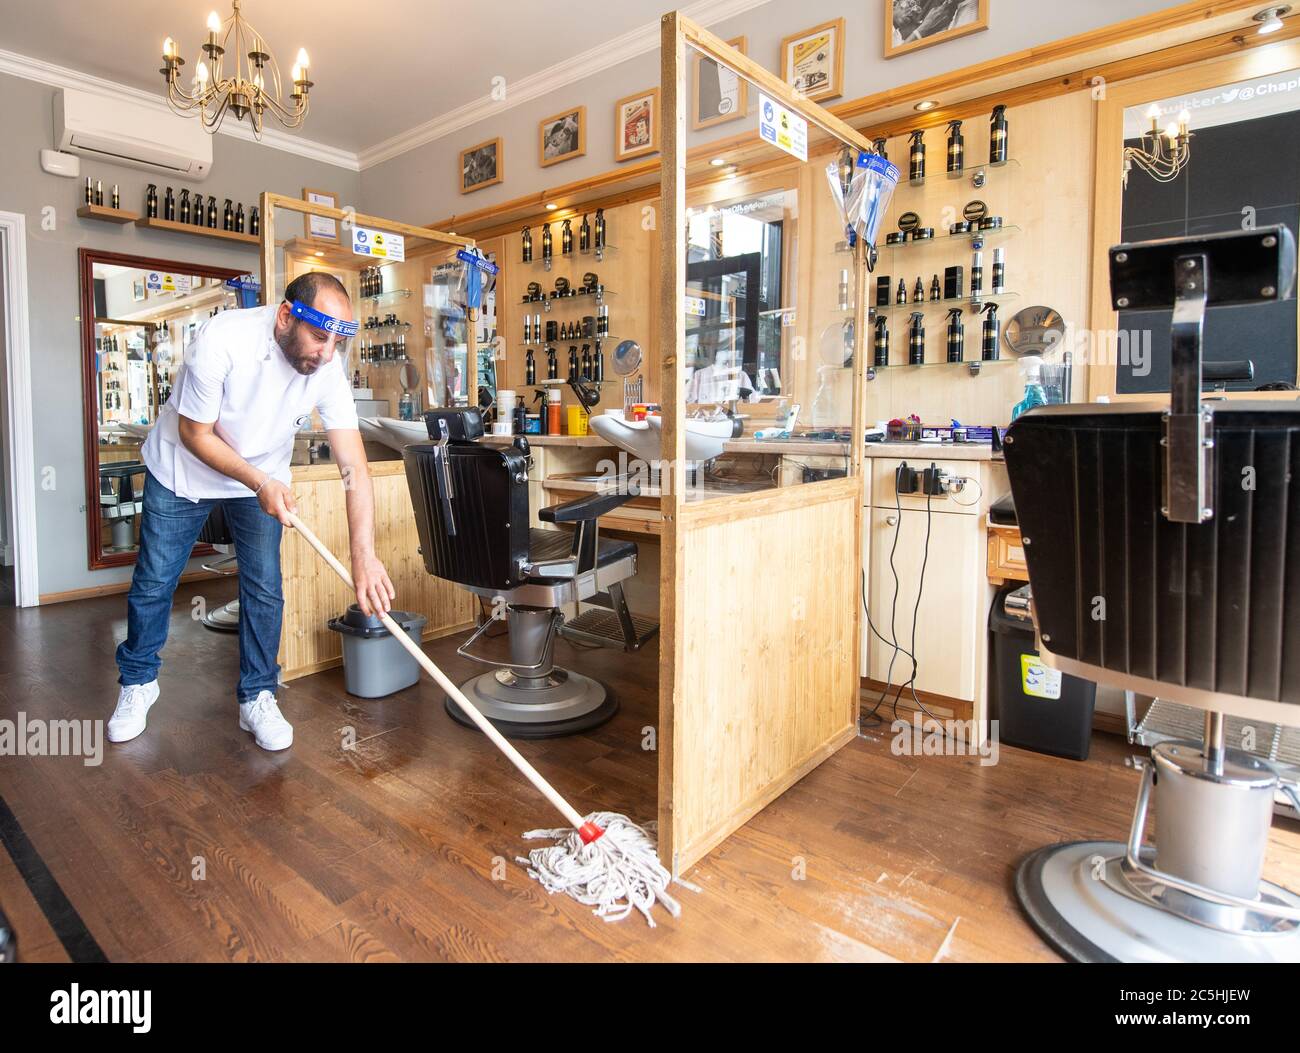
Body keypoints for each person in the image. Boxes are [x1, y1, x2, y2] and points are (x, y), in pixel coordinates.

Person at [108, 272, 395, 751]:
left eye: (336, 343)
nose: (326, 354)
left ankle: (257, 695)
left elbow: (354, 468)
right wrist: (259, 481)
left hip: (263, 474)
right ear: (286, 316)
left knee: (264, 586)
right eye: (319, 337)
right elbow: (195, 434)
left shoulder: (326, 367)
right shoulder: (222, 340)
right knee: (156, 579)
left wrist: (363, 554)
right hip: (185, 469)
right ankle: (137, 682)